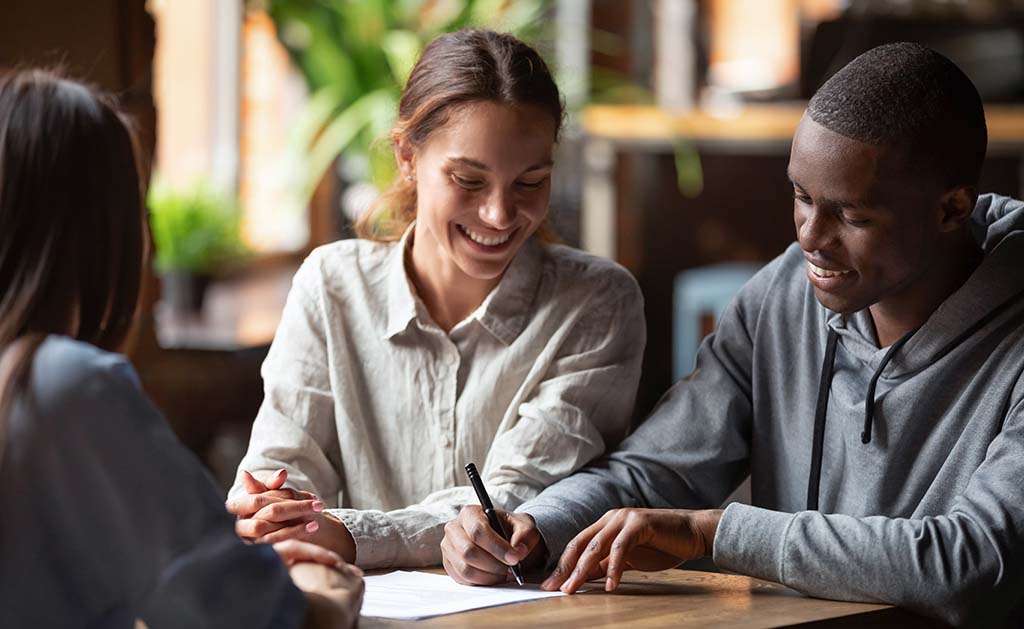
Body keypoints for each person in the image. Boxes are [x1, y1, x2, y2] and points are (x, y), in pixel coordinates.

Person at [442, 43, 1024, 626]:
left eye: (853, 216)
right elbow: (656, 469)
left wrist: (713, 533)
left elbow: (974, 562)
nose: (810, 238)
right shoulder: (781, 295)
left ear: (951, 210)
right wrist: (536, 527)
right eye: (801, 197)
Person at [226, 28, 645, 570]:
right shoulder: (330, 285)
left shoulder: (598, 303)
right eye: (468, 180)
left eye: (529, 182)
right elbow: (283, 466)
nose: (498, 214)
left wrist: (349, 536)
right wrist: (267, 509)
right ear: (406, 156)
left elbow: (510, 502)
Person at [0, 69, 363, 628]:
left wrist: (244, 571)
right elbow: (238, 616)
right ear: (102, 234)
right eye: (139, 212)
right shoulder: (65, 385)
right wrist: (323, 596)